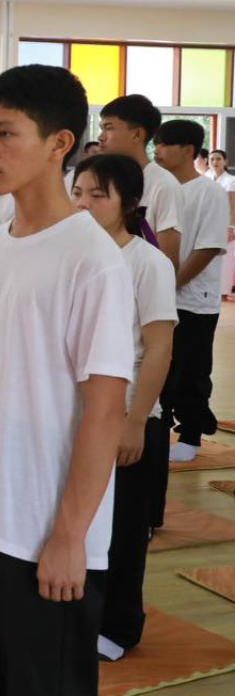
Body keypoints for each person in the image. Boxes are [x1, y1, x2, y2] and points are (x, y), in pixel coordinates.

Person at [0, 64, 133, 696]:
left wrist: (70, 534)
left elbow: (105, 410)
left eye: (6, 133)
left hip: (42, 520)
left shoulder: (91, 259)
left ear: (59, 143)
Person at [69, 154, 175, 663]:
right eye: (78, 193)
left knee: (124, 529)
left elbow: (158, 348)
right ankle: (80, 613)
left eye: (98, 195)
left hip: (128, 415)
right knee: (80, 520)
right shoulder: (72, 255)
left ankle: (119, 624)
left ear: (128, 204)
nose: (84, 205)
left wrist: (136, 422)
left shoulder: (147, 263)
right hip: (78, 412)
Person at [152, 119, 227, 464]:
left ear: (187, 150)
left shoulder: (208, 192)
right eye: (156, 144)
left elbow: (208, 247)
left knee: (191, 370)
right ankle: (160, 428)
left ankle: (191, 434)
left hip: (195, 301)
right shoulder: (159, 188)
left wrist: (172, 284)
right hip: (159, 295)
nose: (158, 151)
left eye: (165, 144)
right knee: (160, 367)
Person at [98, 94, 182, 268]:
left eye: (109, 128)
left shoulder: (163, 185)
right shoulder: (100, 180)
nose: (101, 137)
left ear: (137, 134)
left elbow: (167, 262)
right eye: (101, 128)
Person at [210, 149, 235, 300]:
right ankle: (212, 290)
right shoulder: (206, 178)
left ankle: (223, 292)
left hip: (225, 224)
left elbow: (233, 206)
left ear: (225, 162)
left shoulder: (231, 181)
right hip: (209, 223)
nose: (215, 162)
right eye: (212, 159)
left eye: (218, 159)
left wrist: (231, 228)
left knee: (225, 259)